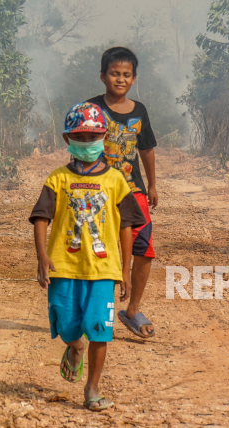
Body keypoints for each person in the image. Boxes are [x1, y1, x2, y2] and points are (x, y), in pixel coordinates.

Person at [30, 102, 146, 412]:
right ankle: (74, 346)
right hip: (63, 267)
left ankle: (92, 389)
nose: (87, 144)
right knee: (67, 326)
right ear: (67, 139)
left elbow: (127, 226)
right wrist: (42, 256)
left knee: (99, 328)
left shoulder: (116, 181)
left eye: (93, 137)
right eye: (80, 137)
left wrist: (124, 270)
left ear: (104, 137)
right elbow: (41, 217)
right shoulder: (57, 179)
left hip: (103, 270)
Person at [87, 47, 158, 338]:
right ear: (103, 76)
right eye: (114, 73)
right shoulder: (91, 109)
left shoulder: (140, 110)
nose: (120, 79)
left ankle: (132, 309)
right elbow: (80, 144)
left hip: (133, 192)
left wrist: (152, 185)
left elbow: (146, 149)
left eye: (126, 75)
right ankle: (92, 313)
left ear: (134, 79)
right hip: (97, 191)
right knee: (96, 252)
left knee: (145, 250)